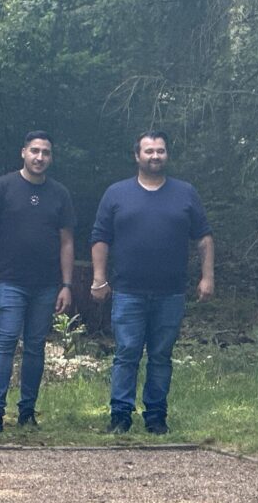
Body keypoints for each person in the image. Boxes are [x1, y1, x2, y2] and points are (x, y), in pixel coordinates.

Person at [90, 131, 214, 434]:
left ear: (166, 155)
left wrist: (207, 277)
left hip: (170, 291)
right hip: (127, 290)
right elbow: (100, 238)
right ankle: (120, 415)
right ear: (137, 156)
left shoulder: (185, 193)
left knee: (161, 355)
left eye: (160, 151)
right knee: (126, 353)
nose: (154, 156)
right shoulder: (117, 193)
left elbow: (204, 238)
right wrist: (98, 279)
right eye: (149, 151)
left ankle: (156, 417)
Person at [0, 131, 76, 433]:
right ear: (23, 152)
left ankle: (27, 412)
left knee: (35, 347)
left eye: (45, 152)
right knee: (5, 343)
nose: (39, 157)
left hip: (46, 285)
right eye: (34, 151)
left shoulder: (60, 194)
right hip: (8, 281)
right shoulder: (2, 187)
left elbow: (67, 242)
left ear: (51, 157)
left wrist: (67, 285)